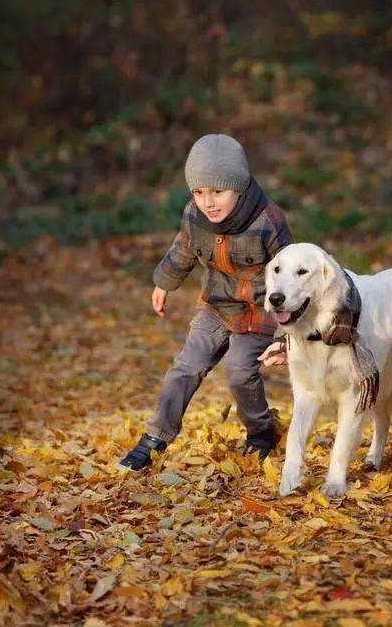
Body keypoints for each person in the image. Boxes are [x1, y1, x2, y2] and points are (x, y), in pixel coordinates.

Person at [118, 134, 292, 471]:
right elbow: (183, 248)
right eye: (199, 192)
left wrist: (288, 335)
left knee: (240, 373)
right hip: (216, 305)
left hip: (259, 314)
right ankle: (156, 437)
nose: (208, 202)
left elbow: (292, 278)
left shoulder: (269, 221)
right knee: (185, 367)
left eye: (217, 192)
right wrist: (164, 283)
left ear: (239, 187)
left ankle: (261, 431)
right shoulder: (195, 216)